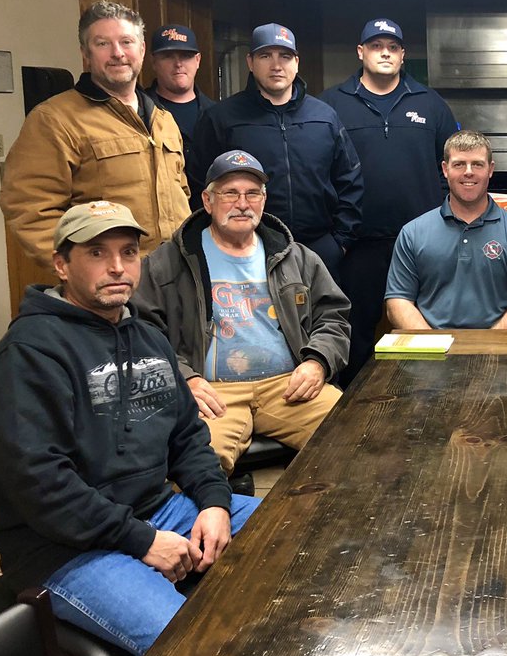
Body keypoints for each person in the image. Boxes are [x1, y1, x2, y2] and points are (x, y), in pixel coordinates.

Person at [0, 200, 259, 656]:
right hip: (63, 547)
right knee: (190, 646)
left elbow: (187, 438)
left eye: (128, 252)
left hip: (157, 511)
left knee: (292, 538)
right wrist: (143, 541)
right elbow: (41, 484)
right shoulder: (26, 355)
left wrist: (213, 502)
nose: (117, 267)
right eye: (96, 253)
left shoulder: (147, 337)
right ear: (61, 265)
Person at [133, 150, 350, 477]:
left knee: (357, 437)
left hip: (289, 387)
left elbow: (333, 317)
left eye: (252, 194)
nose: (243, 204)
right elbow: (141, 332)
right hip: (212, 393)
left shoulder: (296, 257)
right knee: (197, 466)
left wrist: (318, 362)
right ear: (207, 201)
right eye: (230, 194)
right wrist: (183, 378)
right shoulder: (169, 262)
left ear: (264, 200)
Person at [0, 0, 190, 268]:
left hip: (175, 273)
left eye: (126, 42)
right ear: (85, 54)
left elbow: (181, 193)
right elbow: (29, 209)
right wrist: (82, 269)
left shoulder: (163, 118)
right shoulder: (55, 120)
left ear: (142, 49)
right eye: (102, 44)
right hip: (110, 279)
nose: (117, 53)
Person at [319, 18, 459, 380]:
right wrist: (338, 238)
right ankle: (352, 405)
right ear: (360, 52)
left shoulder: (430, 103)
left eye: (393, 47)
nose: (385, 53)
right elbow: (320, 171)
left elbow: (453, 165)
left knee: (426, 329)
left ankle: (428, 399)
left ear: (402, 54)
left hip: (422, 244)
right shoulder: (331, 104)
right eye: (376, 46)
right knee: (356, 333)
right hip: (358, 244)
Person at [190, 23, 363, 278]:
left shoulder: (324, 117)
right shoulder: (221, 119)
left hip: (319, 252)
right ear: (250, 62)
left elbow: (350, 181)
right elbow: (198, 186)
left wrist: (340, 242)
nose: (276, 65)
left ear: (297, 62)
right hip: (247, 252)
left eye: (285, 56)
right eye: (265, 56)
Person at [385, 131, 507, 329]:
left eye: (477, 164)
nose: (468, 172)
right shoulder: (412, 233)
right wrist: (431, 343)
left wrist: (491, 342)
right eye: (459, 164)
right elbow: (398, 301)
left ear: (490, 169)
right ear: (445, 169)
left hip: (499, 345)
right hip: (431, 345)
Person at [146, 23, 215, 170]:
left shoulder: (218, 114)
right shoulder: (139, 111)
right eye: (168, 56)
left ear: (198, 60)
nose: (178, 64)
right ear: (153, 62)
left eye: (186, 56)